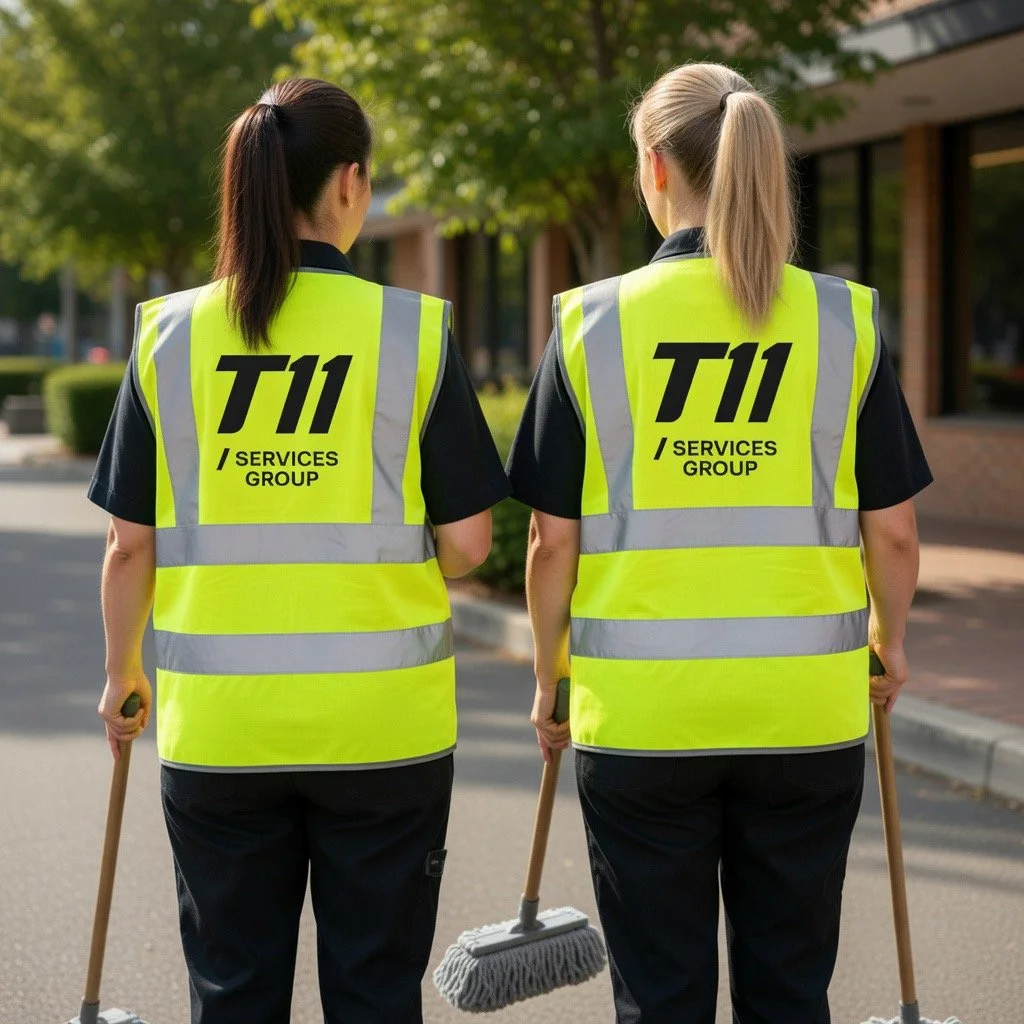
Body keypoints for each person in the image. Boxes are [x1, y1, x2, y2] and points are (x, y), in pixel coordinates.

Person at [507, 62, 932, 1024]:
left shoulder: (587, 323)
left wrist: (549, 674)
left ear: (655, 169)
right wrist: (890, 640)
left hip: (645, 724)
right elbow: (895, 533)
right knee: (789, 991)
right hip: (805, 715)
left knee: (661, 998)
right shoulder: (844, 319)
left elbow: (549, 543)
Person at [89, 77, 511, 1024]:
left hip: (223, 735)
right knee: (373, 994)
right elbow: (470, 544)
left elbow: (128, 548)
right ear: (352, 184)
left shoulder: (167, 335)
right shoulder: (415, 332)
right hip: (384, 734)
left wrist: (123, 673)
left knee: (233, 995)